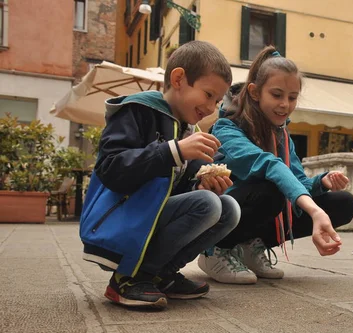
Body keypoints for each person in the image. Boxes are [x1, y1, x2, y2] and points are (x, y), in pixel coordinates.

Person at [80, 41, 240, 309]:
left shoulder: (188, 130)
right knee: (209, 204)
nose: (212, 107)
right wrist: (172, 151)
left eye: (217, 100)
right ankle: (128, 279)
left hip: (150, 219)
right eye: (208, 94)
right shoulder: (137, 110)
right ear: (178, 79)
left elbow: (173, 190)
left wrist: (202, 182)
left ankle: (160, 274)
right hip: (120, 218)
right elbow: (110, 169)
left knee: (227, 208)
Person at [198, 46, 353, 284]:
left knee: (343, 203)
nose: (285, 104)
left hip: (263, 204)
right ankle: (216, 250)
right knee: (270, 188)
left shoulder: (282, 135)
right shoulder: (227, 128)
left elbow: (298, 182)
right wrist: (315, 211)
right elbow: (269, 166)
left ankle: (251, 247)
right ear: (254, 92)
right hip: (225, 211)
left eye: (292, 98)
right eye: (277, 95)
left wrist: (321, 182)